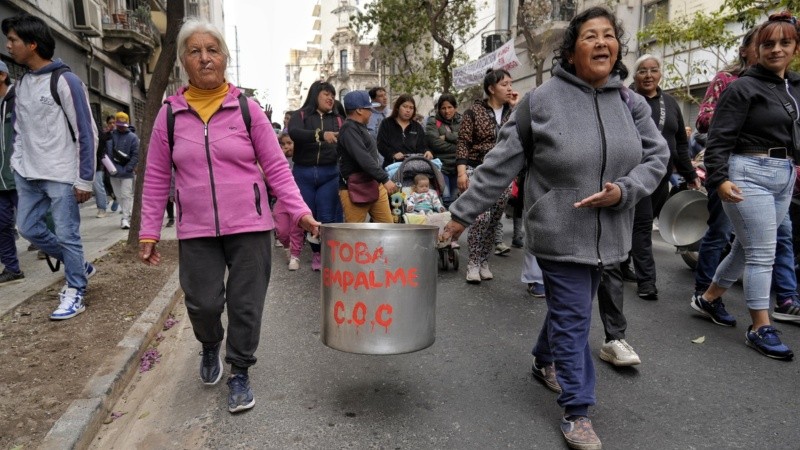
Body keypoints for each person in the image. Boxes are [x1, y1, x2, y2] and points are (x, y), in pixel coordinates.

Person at [440, 7, 668, 448]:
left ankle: (544, 359)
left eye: (608, 35)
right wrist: (459, 216)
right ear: (571, 50)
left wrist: (625, 190)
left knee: (572, 309)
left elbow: (656, 158)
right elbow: (498, 165)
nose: (601, 43)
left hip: (611, 232)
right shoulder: (539, 102)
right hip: (558, 229)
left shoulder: (630, 102)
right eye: (590, 37)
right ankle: (577, 409)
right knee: (574, 316)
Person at [138, 19, 320, 413]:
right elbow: (155, 177)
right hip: (196, 227)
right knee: (202, 303)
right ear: (183, 61)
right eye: (195, 51)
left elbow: (275, 167)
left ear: (224, 58)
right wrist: (148, 231)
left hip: (250, 225)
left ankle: (239, 369)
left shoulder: (246, 109)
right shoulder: (170, 115)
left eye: (212, 50)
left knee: (246, 303)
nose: (205, 58)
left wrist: (300, 212)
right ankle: (209, 344)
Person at [695, 12, 800, 360]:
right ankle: (760, 326)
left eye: (784, 42)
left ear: (795, 47)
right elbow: (720, 138)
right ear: (755, 48)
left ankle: (707, 298)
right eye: (767, 43)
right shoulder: (742, 87)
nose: (775, 49)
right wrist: (720, 179)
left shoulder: (795, 86)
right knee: (762, 253)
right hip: (747, 172)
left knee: (744, 248)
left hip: (784, 173)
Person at [3, 14, 98, 319]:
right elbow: (20, 129)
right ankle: (79, 265)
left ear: (32, 44)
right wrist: (17, 162)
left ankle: (76, 289)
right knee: (29, 229)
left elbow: (87, 131)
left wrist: (84, 179)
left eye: (14, 40)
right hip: (28, 173)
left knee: (68, 236)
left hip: (60, 174)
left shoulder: (66, 80)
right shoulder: (21, 84)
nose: (8, 45)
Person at [623, 54, 701, 301]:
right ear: (634, 77)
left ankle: (622, 264)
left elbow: (679, 144)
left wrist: (690, 176)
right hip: (635, 173)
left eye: (653, 70)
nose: (648, 75)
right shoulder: (626, 100)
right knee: (643, 224)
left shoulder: (670, 102)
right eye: (642, 71)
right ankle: (647, 281)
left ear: (660, 74)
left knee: (637, 223)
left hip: (662, 176)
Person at [456, 68, 517, 283]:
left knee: (494, 221)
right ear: (491, 89)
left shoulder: (513, 112)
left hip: (503, 172)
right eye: (504, 84)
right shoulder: (474, 111)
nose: (509, 88)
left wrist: (516, 108)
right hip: (477, 169)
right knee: (481, 217)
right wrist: (461, 172)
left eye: (511, 83)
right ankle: (472, 262)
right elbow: (463, 142)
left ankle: (484, 260)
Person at [288, 80, 343, 271]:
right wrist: (320, 135)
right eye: (326, 94)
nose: (330, 98)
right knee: (306, 216)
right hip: (303, 173)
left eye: (333, 95)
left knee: (326, 216)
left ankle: (321, 254)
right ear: (315, 95)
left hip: (330, 173)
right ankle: (303, 251)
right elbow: (294, 133)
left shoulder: (337, 119)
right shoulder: (300, 115)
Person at [337, 90, 398, 223]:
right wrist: (384, 178)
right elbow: (363, 158)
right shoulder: (349, 129)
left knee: (387, 228)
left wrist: (381, 179)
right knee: (355, 235)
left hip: (374, 183)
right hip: (354, 187)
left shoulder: (360, 127)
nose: (371, 112)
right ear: (359, 110)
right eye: (368, 108)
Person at [0, 59, 24, 285]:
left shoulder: (18, 100)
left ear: (2, 75)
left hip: (19, 176)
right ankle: (12, 268)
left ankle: (69, 264)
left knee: (31, 225)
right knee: (1, 225)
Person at [425, 93, 461, 207]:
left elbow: (467, 139)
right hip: (441, 166)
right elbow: (435, 144)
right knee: (445, 199)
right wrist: (458, 145)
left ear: (455, 108)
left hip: (458, 166)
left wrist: (446, 136)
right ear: (439, 109)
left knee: (456, 199)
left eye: (450, 107)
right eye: (443, 108)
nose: (447, 111)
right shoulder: (433, 121)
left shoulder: (462, 120)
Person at [274, 133, 304, 270]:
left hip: (298, 198)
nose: (286, 146)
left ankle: (295, 256)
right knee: (281, 230)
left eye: (289, 143)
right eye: (283, 144)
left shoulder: (301, 160)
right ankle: (287, 247)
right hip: (282, 199)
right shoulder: (279, 159)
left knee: (296, 228)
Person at [377, 94, 432, 168]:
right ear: (397, 108)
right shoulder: (386, 123)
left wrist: (427, 151)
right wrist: (392, 154)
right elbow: (381, 145)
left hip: (413, 166)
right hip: (391, 166)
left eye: (411, 108)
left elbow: (422, 146)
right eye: (405, 106)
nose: (408, 110)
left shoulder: (417, 127)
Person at [106, 111, 139, 230]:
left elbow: (136, 154)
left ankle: (125, 217)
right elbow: (106, 152)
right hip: (113, 171)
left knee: (126, 194)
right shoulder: (110, 135)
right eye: (118, 125)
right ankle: (126, 212)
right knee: (118, 195)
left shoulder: (133, 137)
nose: (121, 128)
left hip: (127, 172)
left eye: (123, 125)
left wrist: (129, 168)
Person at [94, 115, 114, 218]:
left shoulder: (105, 135)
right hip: (102, 163)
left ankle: (103, 207)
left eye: (113, 122)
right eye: (110, 122)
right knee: (103, 184)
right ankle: (111, 200)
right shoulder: (104, 134)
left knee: (100, 185)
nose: (112, 125)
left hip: (104, 163)